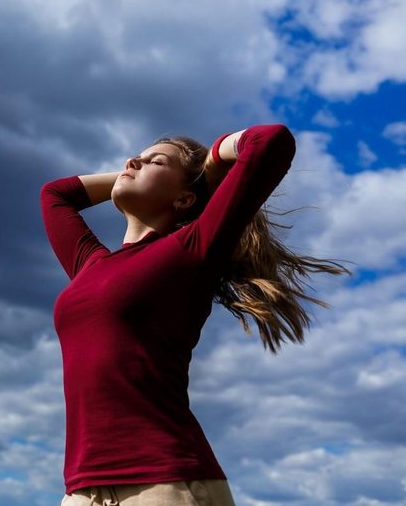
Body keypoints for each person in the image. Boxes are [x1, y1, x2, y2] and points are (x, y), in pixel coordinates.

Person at [40, 124, 350, 506]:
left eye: (155, 160)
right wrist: (134, 171)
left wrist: (209, 163)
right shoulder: (90, 265)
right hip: (82, 490)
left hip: (166, 484)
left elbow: (270, 141)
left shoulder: (191, 248)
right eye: (134, 158)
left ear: (185, 199)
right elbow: (55, 194)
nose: (132, 161)